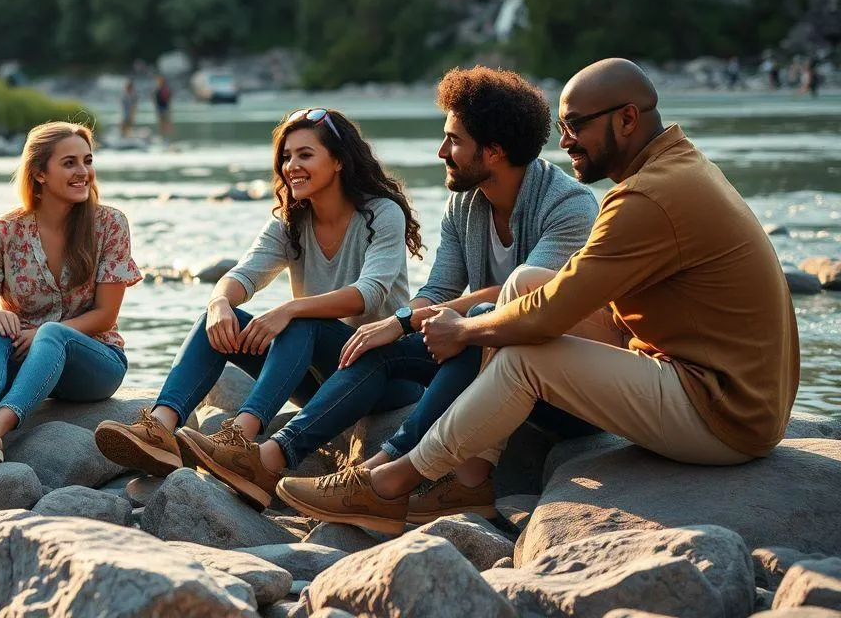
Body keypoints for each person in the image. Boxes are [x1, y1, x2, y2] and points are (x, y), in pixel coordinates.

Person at [278, 58, 800, 535]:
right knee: (524, 284)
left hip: (724, 412)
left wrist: (463, 329)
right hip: (717, 380)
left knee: (525, 354)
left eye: (576, 126)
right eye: (564, 127)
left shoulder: (647, 197)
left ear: (626, 119)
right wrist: (419, 320)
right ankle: (470, 479)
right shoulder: (674, 168)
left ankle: (393, 480)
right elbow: (549, 291)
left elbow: (550, 315)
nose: (565, 141)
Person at [205, 66, 602, 512]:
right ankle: (273, 457)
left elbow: (522, 300)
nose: (441, 152)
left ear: (492, 152)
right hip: (490, 365)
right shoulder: (463, 204)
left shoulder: (570, 206)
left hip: (556, 383)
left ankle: (378, 474)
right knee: (381, 344)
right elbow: (436, 292)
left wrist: (402, 320)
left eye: (454, 141)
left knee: (472, 322)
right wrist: (394, 327)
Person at [95, 108, 425, 509]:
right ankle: (160, 430)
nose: (292, 166)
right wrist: (219, 302)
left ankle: (241, 438)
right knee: (215, 321)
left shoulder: (381, 213)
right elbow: (243, 275)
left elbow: (369, 293)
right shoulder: (290, 221)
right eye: (286, 157)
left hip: (384, 374)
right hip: (323, 377)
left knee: (302, 320)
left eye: (305, 155)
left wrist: (289, 310)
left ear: (338, 160)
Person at [0, 121, 142, 467]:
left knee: (53, 333)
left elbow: (106, 314)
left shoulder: (110, 224)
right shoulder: (3, 230)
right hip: (24, 361)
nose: (83, 172)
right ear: (39, 173)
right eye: (69, 163)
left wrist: (43, 334)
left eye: (87, 161)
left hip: (94, 364)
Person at [154, 75, 173, 140]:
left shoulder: (159, 89)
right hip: (164, 108)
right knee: (164, 123)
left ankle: (165, 137)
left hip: (162, 108)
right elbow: (169, 99)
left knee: (163, 123)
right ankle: (165, 137)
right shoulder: (165, 89)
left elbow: (155, 99)